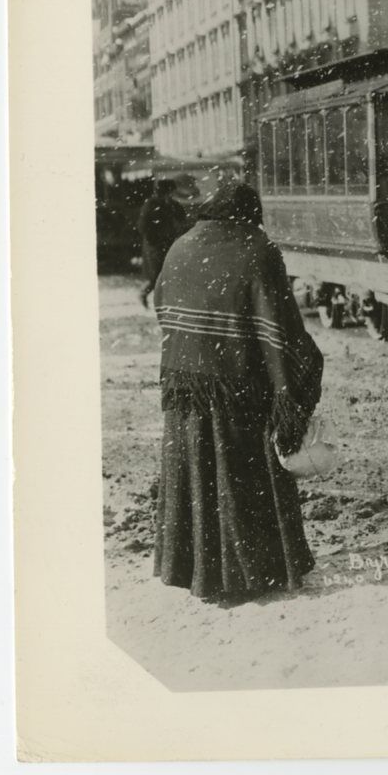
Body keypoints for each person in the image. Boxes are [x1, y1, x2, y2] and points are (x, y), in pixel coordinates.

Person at [151, 182, 324, 604]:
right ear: (250, 213)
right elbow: (281, 328)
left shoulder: (181, 245)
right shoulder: (258, 249)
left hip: (186, 388)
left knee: (195, 478)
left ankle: (195, 571)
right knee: (242, 480)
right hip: (240, 390)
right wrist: (301, 373)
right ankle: (253, 573)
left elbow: (162, 303)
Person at [137, 179, 190, 308]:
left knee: (167, 272)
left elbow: (182, 218)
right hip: (155, 244)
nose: (171, 194)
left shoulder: (172, 204)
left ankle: (163, 301)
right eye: (170, 191)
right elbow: (143, 226)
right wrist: (154, 239)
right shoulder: (151, 204)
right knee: (157, 274)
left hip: (168, 243)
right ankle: (150, 297)